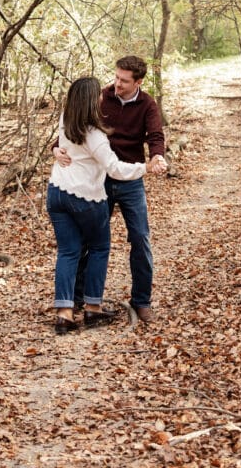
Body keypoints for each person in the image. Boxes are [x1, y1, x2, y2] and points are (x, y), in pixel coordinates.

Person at [54, 55, 167, 324]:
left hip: (130, 180)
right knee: (85, 240)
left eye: (124, 81)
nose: (116, 84)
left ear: (138, 82)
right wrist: (55, 149)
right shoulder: (100, 97)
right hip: (99, 179)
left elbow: (155, 135)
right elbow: (71, 126)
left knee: (140, 238)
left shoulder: (147, 104)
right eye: (116, 77)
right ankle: (77, 300)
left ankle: (142, 302)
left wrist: (157, 156)